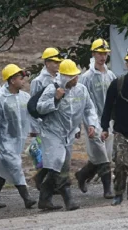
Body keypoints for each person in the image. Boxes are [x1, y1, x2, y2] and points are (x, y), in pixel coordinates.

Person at [37, 59, 98, 211]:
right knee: (60, 162)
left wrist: (91, 124)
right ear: (64, 77)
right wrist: (55, 99)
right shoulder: (52, 89)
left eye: (76, 76)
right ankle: (68, 199)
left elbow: (89, 108)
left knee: (59, 165)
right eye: (72, 77)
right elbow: (39, 108)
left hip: (69, 133)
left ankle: (44, 197)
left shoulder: (81, 90)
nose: (75, 79)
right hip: (52, 132)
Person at [0, 64, 36, 209]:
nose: (24, 81)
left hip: (18, 140)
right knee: (15, 166)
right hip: (4, 141)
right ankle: (27, 198)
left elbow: (31, 116)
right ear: (12, 80)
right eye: (21, 78)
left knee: (4, 170)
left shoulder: (25, 97)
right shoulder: (0, 100)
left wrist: (35, 129)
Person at [76, 38, 116, 199]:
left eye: (105, 53)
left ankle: (82, 174)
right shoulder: (87, 77)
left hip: (108, 121)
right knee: (101, 153)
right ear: (93, 54)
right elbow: (82, 102)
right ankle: (107, 189)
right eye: (100, 53)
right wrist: (81, 124)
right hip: (92, 120)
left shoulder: (111, 75)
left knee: (104, 153)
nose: (103, 56)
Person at [29, 48, 64, 190]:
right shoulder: (38, 81)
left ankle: (43, 180)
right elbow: (33, 106)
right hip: (44, 123)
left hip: (58, 122)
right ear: (46, 62)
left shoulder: (60, 78)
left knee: (56, 155)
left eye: (58, 62)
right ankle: (50, 186)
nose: (57, 64)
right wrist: (34, 127)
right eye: (54, 62)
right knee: (51, 155)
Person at [101, 52, 128, 205]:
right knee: (121, 163)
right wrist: (104, 127)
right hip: (121, 131)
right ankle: (118, 193)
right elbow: (107, 107)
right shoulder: (117, 84)